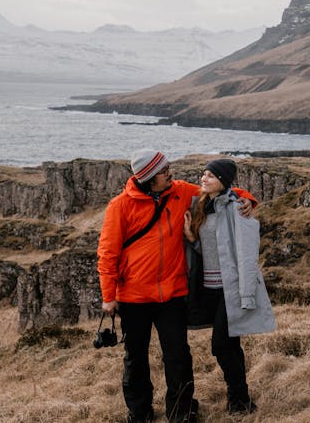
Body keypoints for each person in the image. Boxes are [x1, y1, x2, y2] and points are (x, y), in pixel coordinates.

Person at [98, 150, 256, 423]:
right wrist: (108, 296)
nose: (170, 173)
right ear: (149, 178)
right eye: (164, 171)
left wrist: (248, 199)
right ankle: (139, 412)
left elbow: (220, 190)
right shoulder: (120, 206)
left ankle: (181, 412)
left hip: (172, 295)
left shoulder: (180, 191)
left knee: (178, 356)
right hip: (134, 296)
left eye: (168, 167)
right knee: (135, 358)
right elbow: (107, 254)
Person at [182, 158, 276, 416]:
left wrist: (246, 294)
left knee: (221, 345)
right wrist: (191, 238)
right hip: (209, 289)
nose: (204, 179)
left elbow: (246, 255)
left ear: (223, 181)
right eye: (204, 174)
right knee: (231, 345)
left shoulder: (237, 209)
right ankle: (241, 402)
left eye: (211, 176)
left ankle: (238, 398)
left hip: (229, 289)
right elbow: (210, 251)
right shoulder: (202, 205)